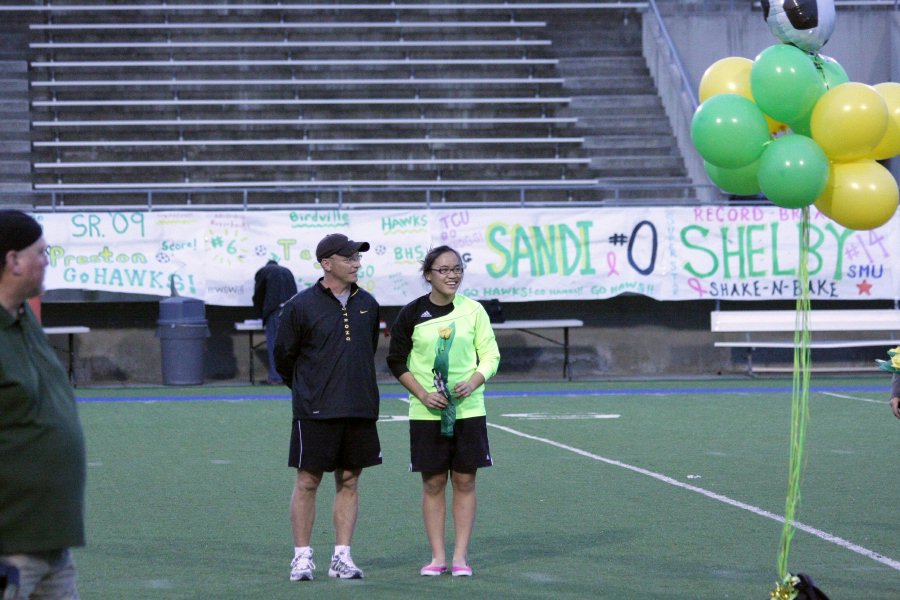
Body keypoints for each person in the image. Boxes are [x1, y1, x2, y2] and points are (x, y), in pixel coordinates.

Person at [386, 245, 500, 577]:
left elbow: (490, 356)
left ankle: (461, 557)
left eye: (457, 269)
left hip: (468, 412)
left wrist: (475, 380)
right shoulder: (411, 314)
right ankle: (437, 557)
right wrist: (422, 394)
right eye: (444, 270)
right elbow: (396, 360)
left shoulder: (474, 310)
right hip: (426, 415)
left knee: (465, 480)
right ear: (428, 275)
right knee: (433, 482)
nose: (452, 275)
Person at [274, 233, 382, 582]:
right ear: (326, 263)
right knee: (307, 481)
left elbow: (367, 350)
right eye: (349, 257)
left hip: (359, 408)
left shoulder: (368, 303)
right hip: (316, 410)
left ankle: (342, 558)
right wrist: (309, 391)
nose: (356, 263)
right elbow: (284, 358)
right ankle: (302, 557)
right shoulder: (299, 306)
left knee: (350, 480)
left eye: (358, 258)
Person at [0, 210, 86, 599]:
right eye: (41, 252)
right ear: (13, 260)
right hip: (10, 544)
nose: (47, 260)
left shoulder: (23, 320)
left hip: (52, 541)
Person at [252, 259, 297, 384]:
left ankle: (276, 377)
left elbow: (258, 294)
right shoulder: (287, 271)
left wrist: (260, 314)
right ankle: (290, 376)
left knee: (274, 344)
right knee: (289, 345)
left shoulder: (263, 271)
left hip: (275, 310)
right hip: (291, 311)